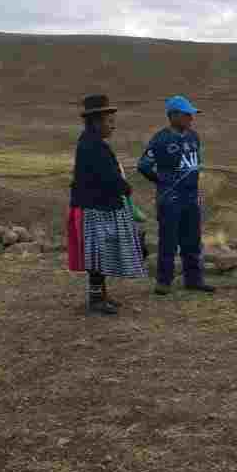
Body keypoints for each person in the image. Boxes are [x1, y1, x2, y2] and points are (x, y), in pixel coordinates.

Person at [68, 95, 147, 314]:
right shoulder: (92, 146)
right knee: (97, 255)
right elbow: (108, 177)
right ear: (95, 121)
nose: (113, 124)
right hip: (95, 208)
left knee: (100, 254)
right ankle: (95, 300)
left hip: (99, 206)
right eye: (109, 120)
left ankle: (100, 295)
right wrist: (125, 187)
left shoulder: (92, 143)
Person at [138, 95, 215, 295]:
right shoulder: (161, 139)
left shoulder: (193, 137)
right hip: (170, 197)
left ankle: (194, 279)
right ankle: (164, 281)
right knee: (168, 239)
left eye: (192, 114)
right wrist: (162, 181)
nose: (191, 118)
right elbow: (144, 165)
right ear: (173, 115)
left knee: (192, 239)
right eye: (187, 114)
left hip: (191, 195)